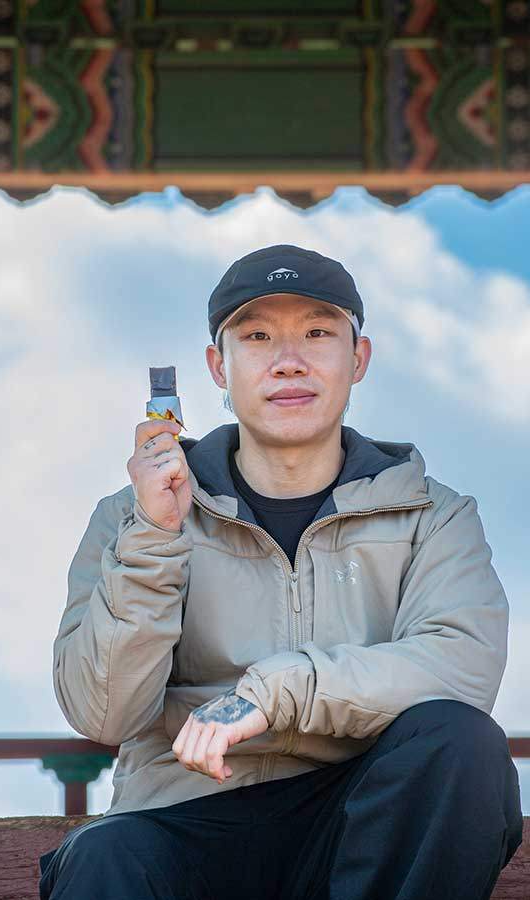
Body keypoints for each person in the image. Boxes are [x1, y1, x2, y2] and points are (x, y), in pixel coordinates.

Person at [39, 244, 524, 900]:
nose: (289, 360)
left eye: (318, 333)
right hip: (184, 816)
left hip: (362, 821)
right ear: (219, 365)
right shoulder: (131, 516)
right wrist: (155, 537)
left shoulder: (432, 516)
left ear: (358, 358)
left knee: (463, 743)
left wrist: (275, 692)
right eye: (258, 336)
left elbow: (461, 670)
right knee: (103, 856)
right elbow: (102, 713)